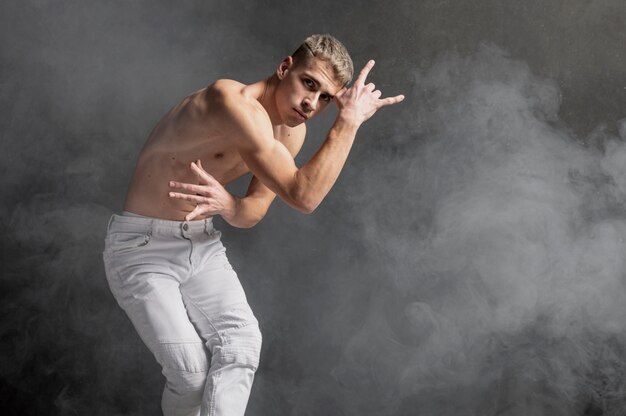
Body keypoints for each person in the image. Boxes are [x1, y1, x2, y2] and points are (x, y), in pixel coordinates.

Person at [102, 34, 404, 416]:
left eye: (326, 98)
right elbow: (304, 196)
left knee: (242, 346)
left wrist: (230, 204)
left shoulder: (291, 134)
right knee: (191, 374)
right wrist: (349, 122)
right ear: (284, 68)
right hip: (141, 247)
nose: (312, 103)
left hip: (200, 244)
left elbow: (253, 212)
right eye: (309, 83)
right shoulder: (230, 102)